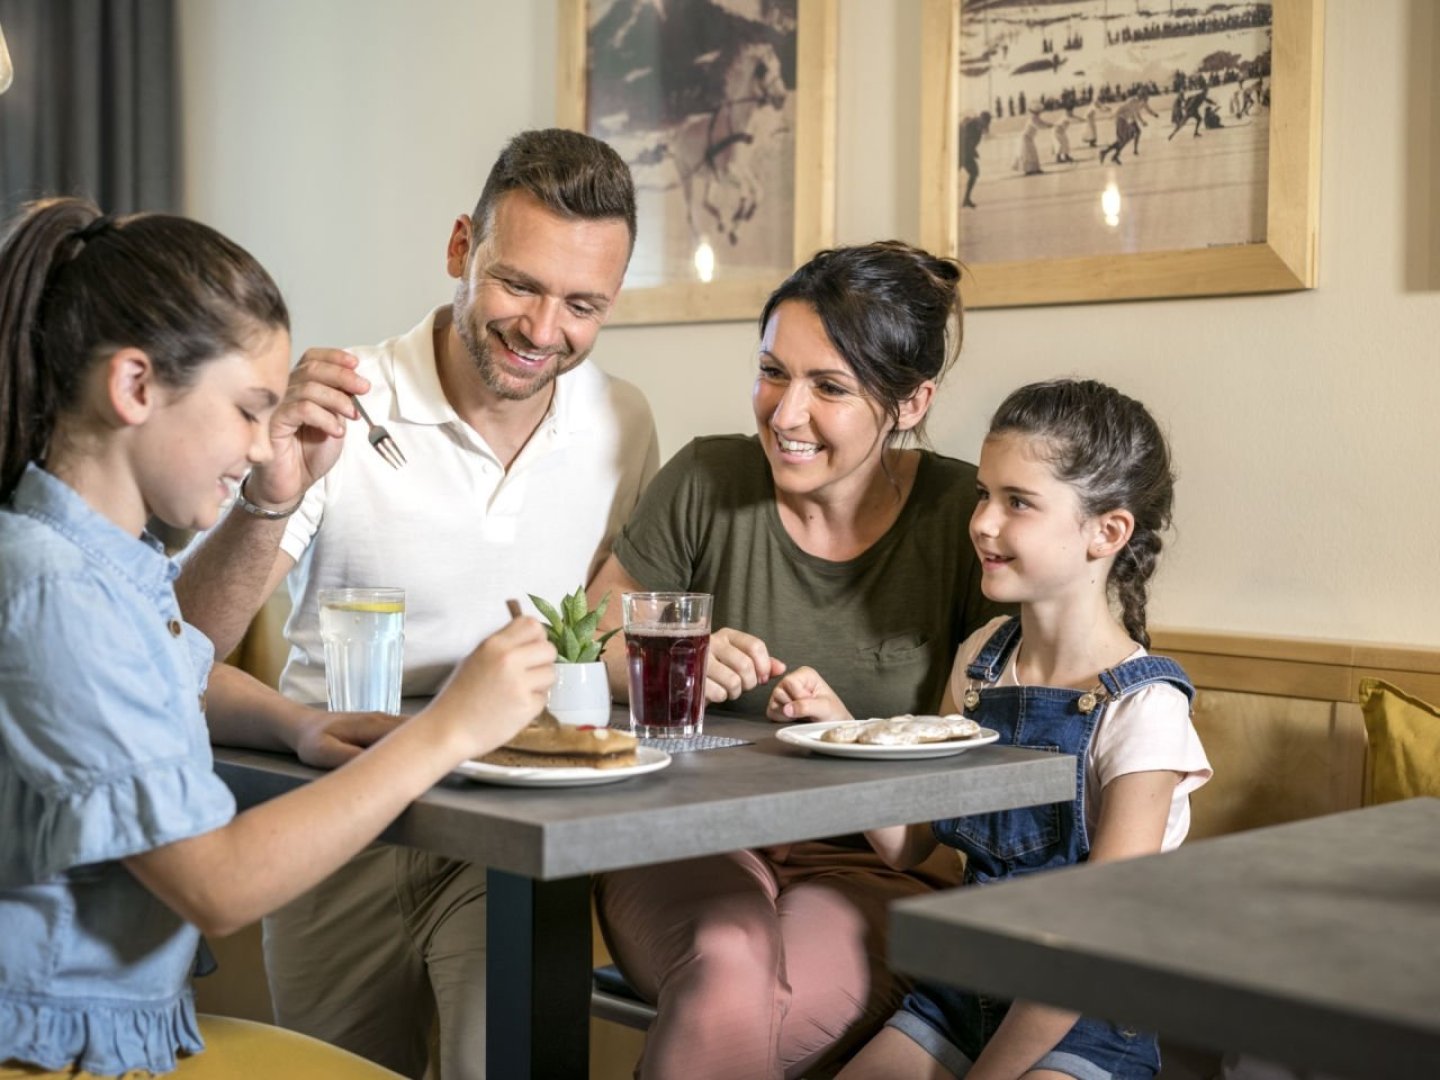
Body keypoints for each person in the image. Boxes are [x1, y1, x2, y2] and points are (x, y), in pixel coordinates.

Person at [0, 198, 557, 1077]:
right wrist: (451, 726)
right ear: (136, 387)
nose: (263, 446)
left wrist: (300, 727)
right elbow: (218, 886)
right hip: (53, 1054)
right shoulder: (50, 589)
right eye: (248, 410)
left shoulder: (104, 562)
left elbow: (177, 671)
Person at [173, 129, 659, 1078]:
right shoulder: (342, 399)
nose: (543, 328)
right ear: (458, 252)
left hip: (507, 833)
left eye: (583, 304)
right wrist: (268, 498)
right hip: (341, 819)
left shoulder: (624, 420)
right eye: (518, 284)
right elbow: (178, 648)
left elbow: (603, 639)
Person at [587, 241, 1008, 1079]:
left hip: (872, 866)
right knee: (725, 965)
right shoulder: (707, 479)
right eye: (772, 371)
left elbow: (998, 742)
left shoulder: (967, 519)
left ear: (912, 400)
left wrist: (859, 733)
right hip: (684, 839)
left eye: (829, 387)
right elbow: (591, 634)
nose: (783, 413)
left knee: (737, 1009)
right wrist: (665, 656)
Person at [775, 378, 1211, 1080]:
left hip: (1084, 1014)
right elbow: (910, 844)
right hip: (962, 993)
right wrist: (846, 732)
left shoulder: (1145, 706)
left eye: (1018, 502)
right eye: (984, 493)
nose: (982, 521)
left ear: (1108, 531)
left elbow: (1090, 941)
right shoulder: (982, 660)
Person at [1097, 94, 1159, 165]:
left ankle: (1110, 154)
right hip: (1120, 119)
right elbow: (1128, 110)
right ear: (1142, 98)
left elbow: (1140, 111)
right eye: (1145, 99)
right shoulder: (1133, 101)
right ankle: (1106, 153)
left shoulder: (1140, 103)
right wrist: (1142, 122)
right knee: (1123, 139)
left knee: (1126, 139)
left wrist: (1151, 116)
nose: (1146, 101)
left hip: (1125, 120)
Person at [959, 111, 992, 208]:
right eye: (986, 122)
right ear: (982, 119)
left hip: (966, 154)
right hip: (961, 154)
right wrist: (971, 151)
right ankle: (965, 199)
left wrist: (973, 151)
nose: (986, 125)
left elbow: (971, 141)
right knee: (973, 173)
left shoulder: (978, 125)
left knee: (974, 173)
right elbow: (964, 140)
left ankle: (966, 199)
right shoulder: (971, 124)